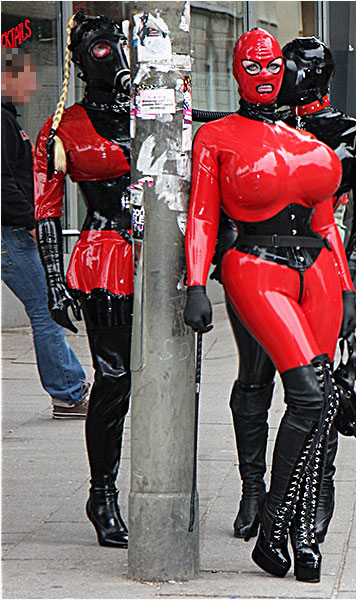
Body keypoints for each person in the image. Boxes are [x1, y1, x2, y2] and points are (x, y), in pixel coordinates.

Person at [183, 28, 356, 583]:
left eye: (272, 65)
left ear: (285, 71)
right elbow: (203, 214)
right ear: (236, 71)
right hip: (255, 266)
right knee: (309, 394)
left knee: (321, 402)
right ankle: (275, 523)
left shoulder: (306, 141)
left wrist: (347, 289)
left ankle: (301, 534)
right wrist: (195, 283)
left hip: (319, 271)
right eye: (251, 65)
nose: (263, 74)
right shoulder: (215, 137)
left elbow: (327, 223)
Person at [224, 35, 356, 544]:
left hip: (318, 267)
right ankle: (254, 489)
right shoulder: (261, 124)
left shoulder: (346, 133)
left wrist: (346, 278)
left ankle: (314, 489)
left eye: (286, 67)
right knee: (255, 377)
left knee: (317, 386)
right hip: (258, 262)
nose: (280, 75)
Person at [32, 12, 133, 548]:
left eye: (116, 43)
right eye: (98, 47)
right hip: (104, 256)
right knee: (115, 377)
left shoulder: (157, 112)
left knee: (172, 374)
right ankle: (103, 493)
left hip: (161, 256)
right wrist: (54, 278)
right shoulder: (64, 126)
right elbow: (46, 208)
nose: (111, 54)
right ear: (79, 60)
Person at [1, 48, 90, 419]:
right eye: (27, 77)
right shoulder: (2, 122)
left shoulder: (8, 119)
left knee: (45, 307)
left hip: (13, 231)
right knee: (46, 308)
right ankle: (68, 393)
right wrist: (31, 222)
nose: (33, 85)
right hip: (12, 234)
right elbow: (3, 184)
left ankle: (69, 388)